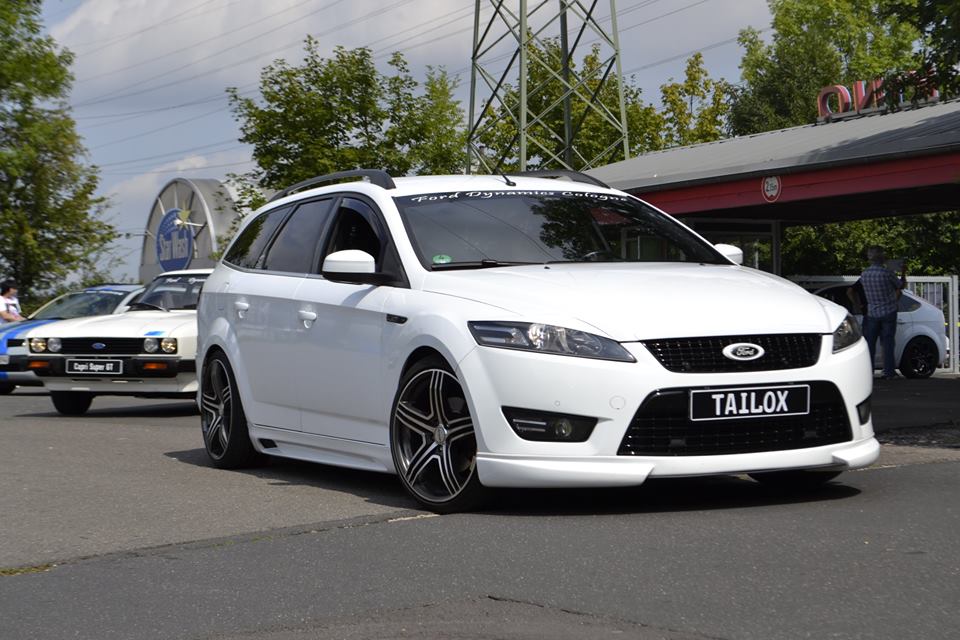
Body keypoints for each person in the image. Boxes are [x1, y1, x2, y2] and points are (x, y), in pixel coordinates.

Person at [849, 246, 905, 379]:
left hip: (872, 312)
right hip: (889, 311)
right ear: (882, 258)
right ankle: (889, 372)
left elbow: (853, 290)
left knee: (870, 343)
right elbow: (900, 286)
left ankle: (868, 371)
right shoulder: (887, 273)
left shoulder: (864, 274)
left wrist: (858, 306)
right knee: (888, 343)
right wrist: (903, 273)